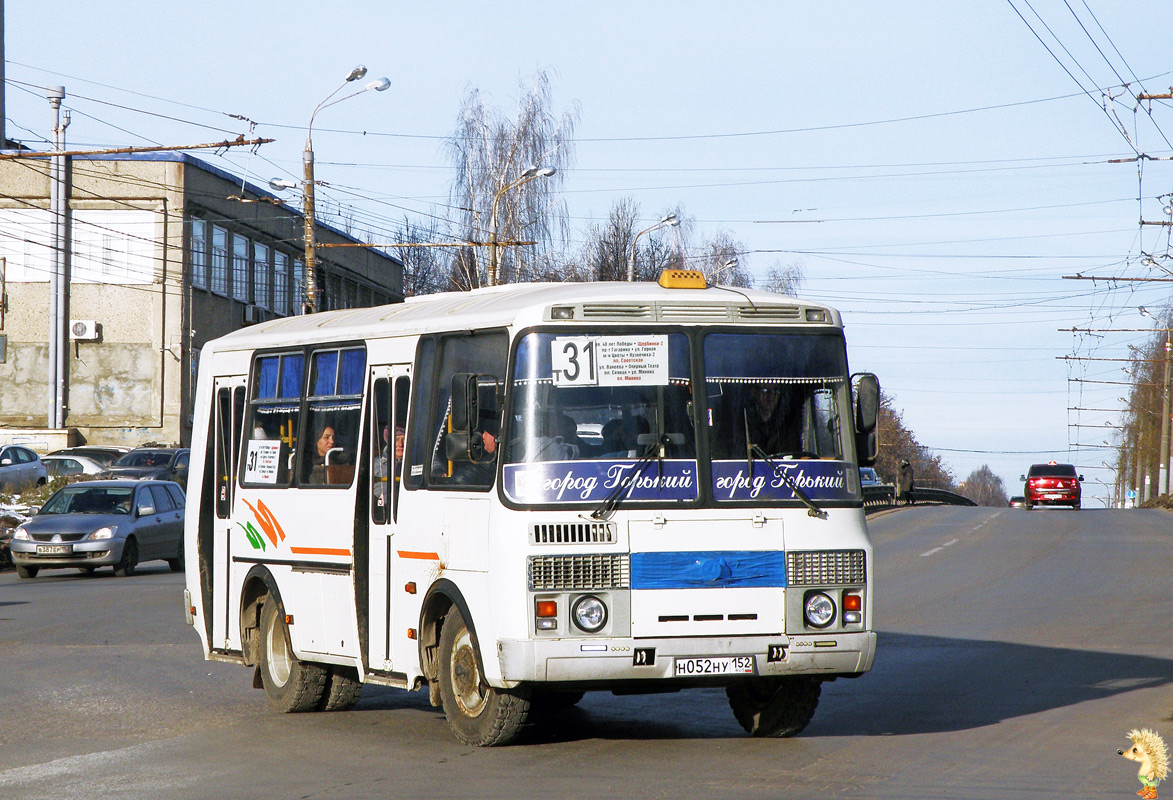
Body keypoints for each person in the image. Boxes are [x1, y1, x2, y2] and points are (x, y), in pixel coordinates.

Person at [739, 383, 801, 457]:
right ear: (754, 392)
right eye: (766, 391)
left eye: (776, 391)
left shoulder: (787, 424)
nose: (771, 396)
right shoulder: (742, 422)